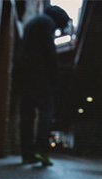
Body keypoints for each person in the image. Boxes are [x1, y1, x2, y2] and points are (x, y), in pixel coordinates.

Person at [18, 5, 70, 166]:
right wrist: (54, 76)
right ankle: (42, 150)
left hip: (23, 73)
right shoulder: (47, 23)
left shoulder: (32, 23)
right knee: (46, 110)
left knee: (27, 115)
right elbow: (49, 50)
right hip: (39, 74)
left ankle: (27, 154)